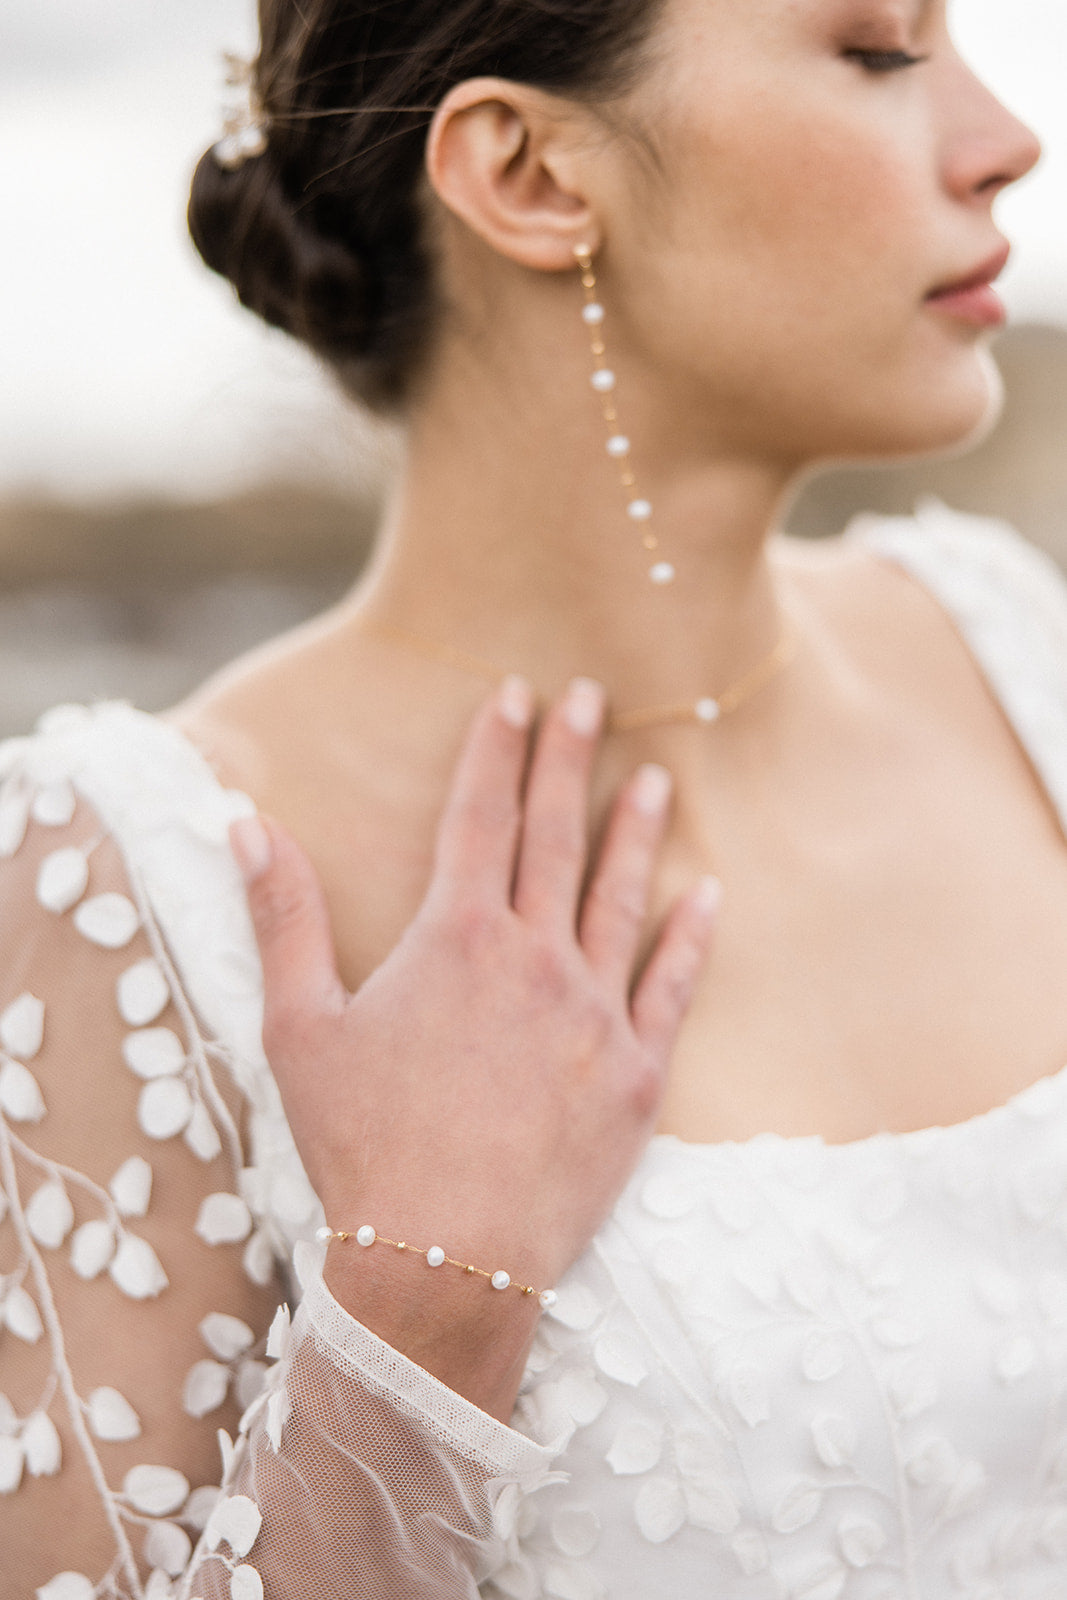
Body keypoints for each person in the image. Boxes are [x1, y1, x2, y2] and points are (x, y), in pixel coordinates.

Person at [2, 0, 1065, 1593]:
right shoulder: (132, 877)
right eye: (879, 50)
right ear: (528, 171)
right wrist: (424, 1302)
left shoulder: (1014, 646)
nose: (1005, 141)